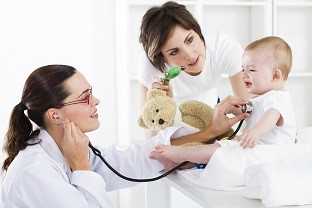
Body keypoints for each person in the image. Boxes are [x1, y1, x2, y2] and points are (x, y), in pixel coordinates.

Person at [0, 64, 248, 207]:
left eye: (92, 92)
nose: (95, 101)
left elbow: (134, 160)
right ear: (56, 116)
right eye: (85, 97)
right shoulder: (35, 172)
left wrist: (210, 132)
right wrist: (81, 167)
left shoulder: (61, 148)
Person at [149, 36, 297, 188]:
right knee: (220, 148)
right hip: (256, 148)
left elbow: (272, 116)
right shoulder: (261, 98)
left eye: (251, 70)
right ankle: (180, 164)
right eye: (243, 69)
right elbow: (254, 115)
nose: (244, 74)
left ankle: (180, 154)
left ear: (276, 75)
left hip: (270, 153)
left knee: (218, 152)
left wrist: (255, 132)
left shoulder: (278, 98)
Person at [139, 1, 249, 107]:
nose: (190, 56)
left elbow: (247, 105)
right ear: (162, 58)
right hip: (175, 113)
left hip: (210, 106)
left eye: (190, 40)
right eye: (174, 52)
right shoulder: (152, 64)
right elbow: (145, 121)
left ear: (197, 30)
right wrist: (164, 105)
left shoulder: (224, 48)